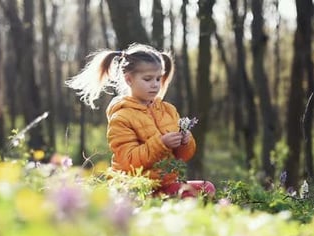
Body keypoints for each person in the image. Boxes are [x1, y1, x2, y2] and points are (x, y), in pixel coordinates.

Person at [66, 43, 215, 198]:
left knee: (207, 188)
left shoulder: (168, 110)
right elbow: (128, 161)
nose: (155, 84)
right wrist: (161, 143)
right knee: (189, 197)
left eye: (158, 78)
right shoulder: (121, 117)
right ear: (129, 79)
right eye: (148, 79)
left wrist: (185, 141)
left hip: (166, 184)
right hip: (134, 189)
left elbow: (182, 156)